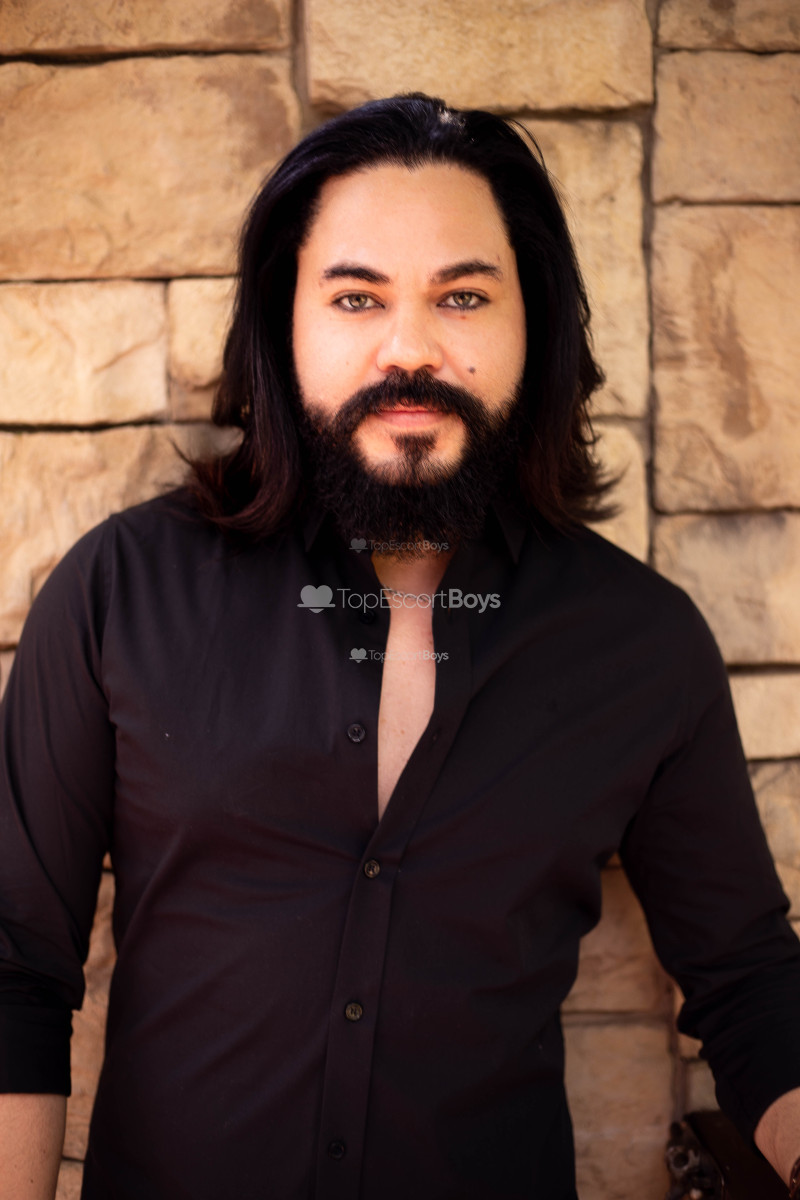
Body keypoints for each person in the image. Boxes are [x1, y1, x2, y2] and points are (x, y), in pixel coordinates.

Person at [1, 93, 799, 1200]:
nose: (410, 348)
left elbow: (749, 983)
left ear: (534, 328)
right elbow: (14, 969)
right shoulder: (117, 593)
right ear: (284, 326)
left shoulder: (643, 645)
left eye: (463, 296)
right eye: (356, 297)